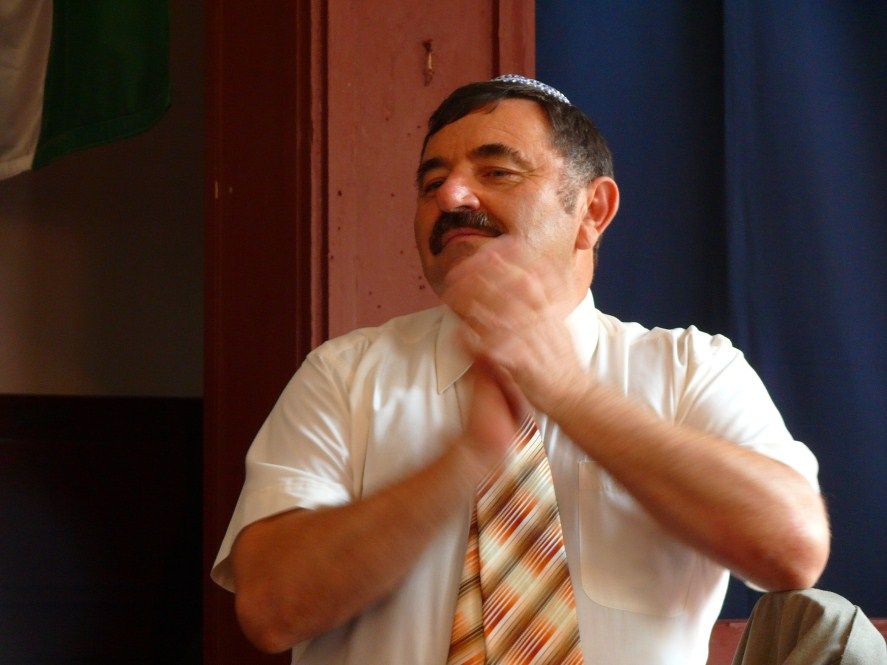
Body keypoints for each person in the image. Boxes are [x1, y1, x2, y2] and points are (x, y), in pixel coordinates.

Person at [211, 75, 830, 665]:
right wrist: (464, 463)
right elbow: (270, 609)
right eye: (432, 182)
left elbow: (793, 548)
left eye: (496, 172)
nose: (451, 197)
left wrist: (569, 394)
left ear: (592, 210)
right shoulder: (345, 375)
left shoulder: (691, 370)